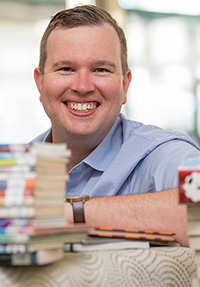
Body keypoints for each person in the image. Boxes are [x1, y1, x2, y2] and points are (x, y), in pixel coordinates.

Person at [32, 4, 200, 246]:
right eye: (66, 69)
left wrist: (64, 216)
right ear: (40, 83)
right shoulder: (14, 168)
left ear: (125, 85)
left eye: (100, 69)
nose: (82, 86)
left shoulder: (159, 154)